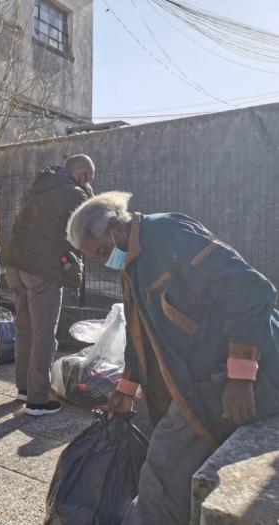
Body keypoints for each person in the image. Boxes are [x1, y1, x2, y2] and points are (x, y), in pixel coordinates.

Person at [66, 191, 279, 525]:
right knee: (155, 445)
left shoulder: (169, 235)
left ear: (115, 226)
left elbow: (251, 290)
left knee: (162, 471)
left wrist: (241, 374)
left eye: (103, 251)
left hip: (225, 375)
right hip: (191, 379)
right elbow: (139, 333)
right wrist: (124, 391)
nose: (104, 262)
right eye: (95, 257)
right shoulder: (132, 264)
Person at [2, 155, 94, 416]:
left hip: (14, 264)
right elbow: (83, 234)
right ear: (82, 175)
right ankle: (38, 399)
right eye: (88, 179)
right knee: (44, 334)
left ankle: (23, 388)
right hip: (42, 269)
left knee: (25, 330)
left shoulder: (38, 186)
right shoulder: (74, 193)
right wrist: (90, 197)